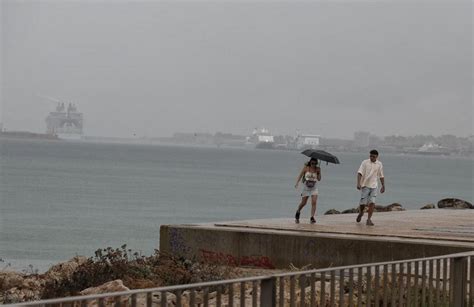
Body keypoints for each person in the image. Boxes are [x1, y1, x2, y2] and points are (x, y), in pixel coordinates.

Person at [356, 149, 385, 226]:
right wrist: (358, 183)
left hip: (374, 186)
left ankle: (369, 219)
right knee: (363, 203)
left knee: (372, 202)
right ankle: (361, 212)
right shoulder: (365, 162)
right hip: (365, 185)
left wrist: (383, 186)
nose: (372, 158)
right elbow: (359, 173)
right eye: (370, 156)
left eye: (373, 156)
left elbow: (381, 175)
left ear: (377, 157)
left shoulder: (379, 164)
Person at [294, 158, 321, 224]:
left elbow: (319, 179)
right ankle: (298, 211)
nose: (313, 165)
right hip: (306, 188)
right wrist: (297, 183)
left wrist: (319, 173)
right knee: (304, 203)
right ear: (310, 162)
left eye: (314, 164)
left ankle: (312, 217)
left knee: (314, 202)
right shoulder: (306, 168)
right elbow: (300, 175)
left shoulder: (318, 169)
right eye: (312, 163)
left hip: (314, 188)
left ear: (316, 163)